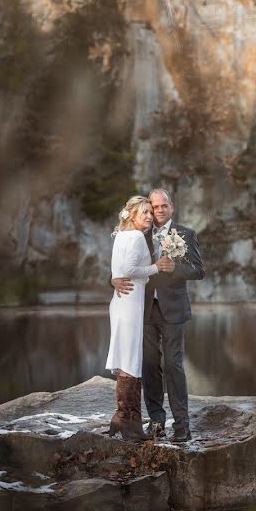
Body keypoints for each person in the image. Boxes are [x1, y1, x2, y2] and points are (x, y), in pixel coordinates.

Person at [111, 189, 204, 442]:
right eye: (154, 207)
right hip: (144, 310)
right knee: (150, 367)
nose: (159, 211)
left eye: (164, 206)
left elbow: (198, 271)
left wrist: (175, 268)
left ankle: (182, 425)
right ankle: (156, 422)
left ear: (171, 207)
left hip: (173, 311)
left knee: (173, 366)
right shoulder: (140, 232)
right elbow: (124, 264)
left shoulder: (186, 234)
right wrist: (113, 280)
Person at [104, 196, 162, 441]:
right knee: (131, 361)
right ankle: (130, 422)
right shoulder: (137, 237)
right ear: (131, 215)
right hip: (129, 305)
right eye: (144, 212)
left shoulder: (120, 235)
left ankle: (122, 418)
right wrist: (156, 268)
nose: (149, 216)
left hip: (122, 302)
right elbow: (129, 270)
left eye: (151, 212)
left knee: (127, 361)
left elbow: (120, 270)